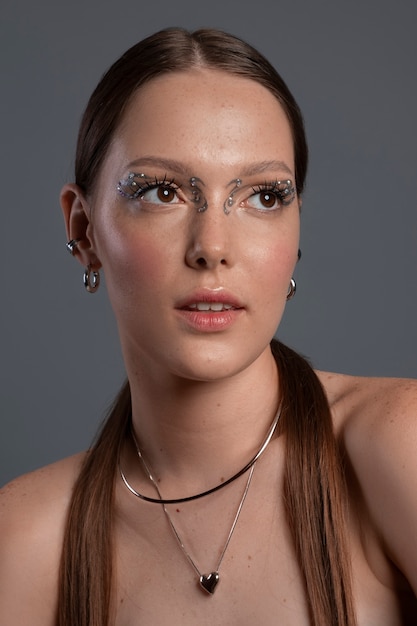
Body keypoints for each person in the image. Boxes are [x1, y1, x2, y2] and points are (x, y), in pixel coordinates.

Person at [0, 26, 416, 626]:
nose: (213, 248)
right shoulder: (29, 541)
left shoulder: (395, 448)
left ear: (297, 227)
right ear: (84, 230)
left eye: (263, 197)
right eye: (161, 191)